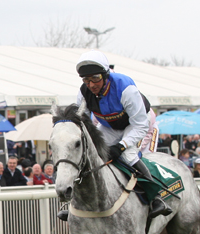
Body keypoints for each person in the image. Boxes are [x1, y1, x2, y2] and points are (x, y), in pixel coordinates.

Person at [72, 51, 171, 219]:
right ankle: (78, 201)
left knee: (128, 155)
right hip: (110, 125)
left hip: (139, 123)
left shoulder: (126, 88)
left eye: (95, 78)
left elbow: (140, 124)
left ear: (105, 74)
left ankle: (156, 197)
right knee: (92, 154)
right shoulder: (84, 92)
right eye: (86, 80)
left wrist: (122, 145)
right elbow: (81, 122)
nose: (91, 84)